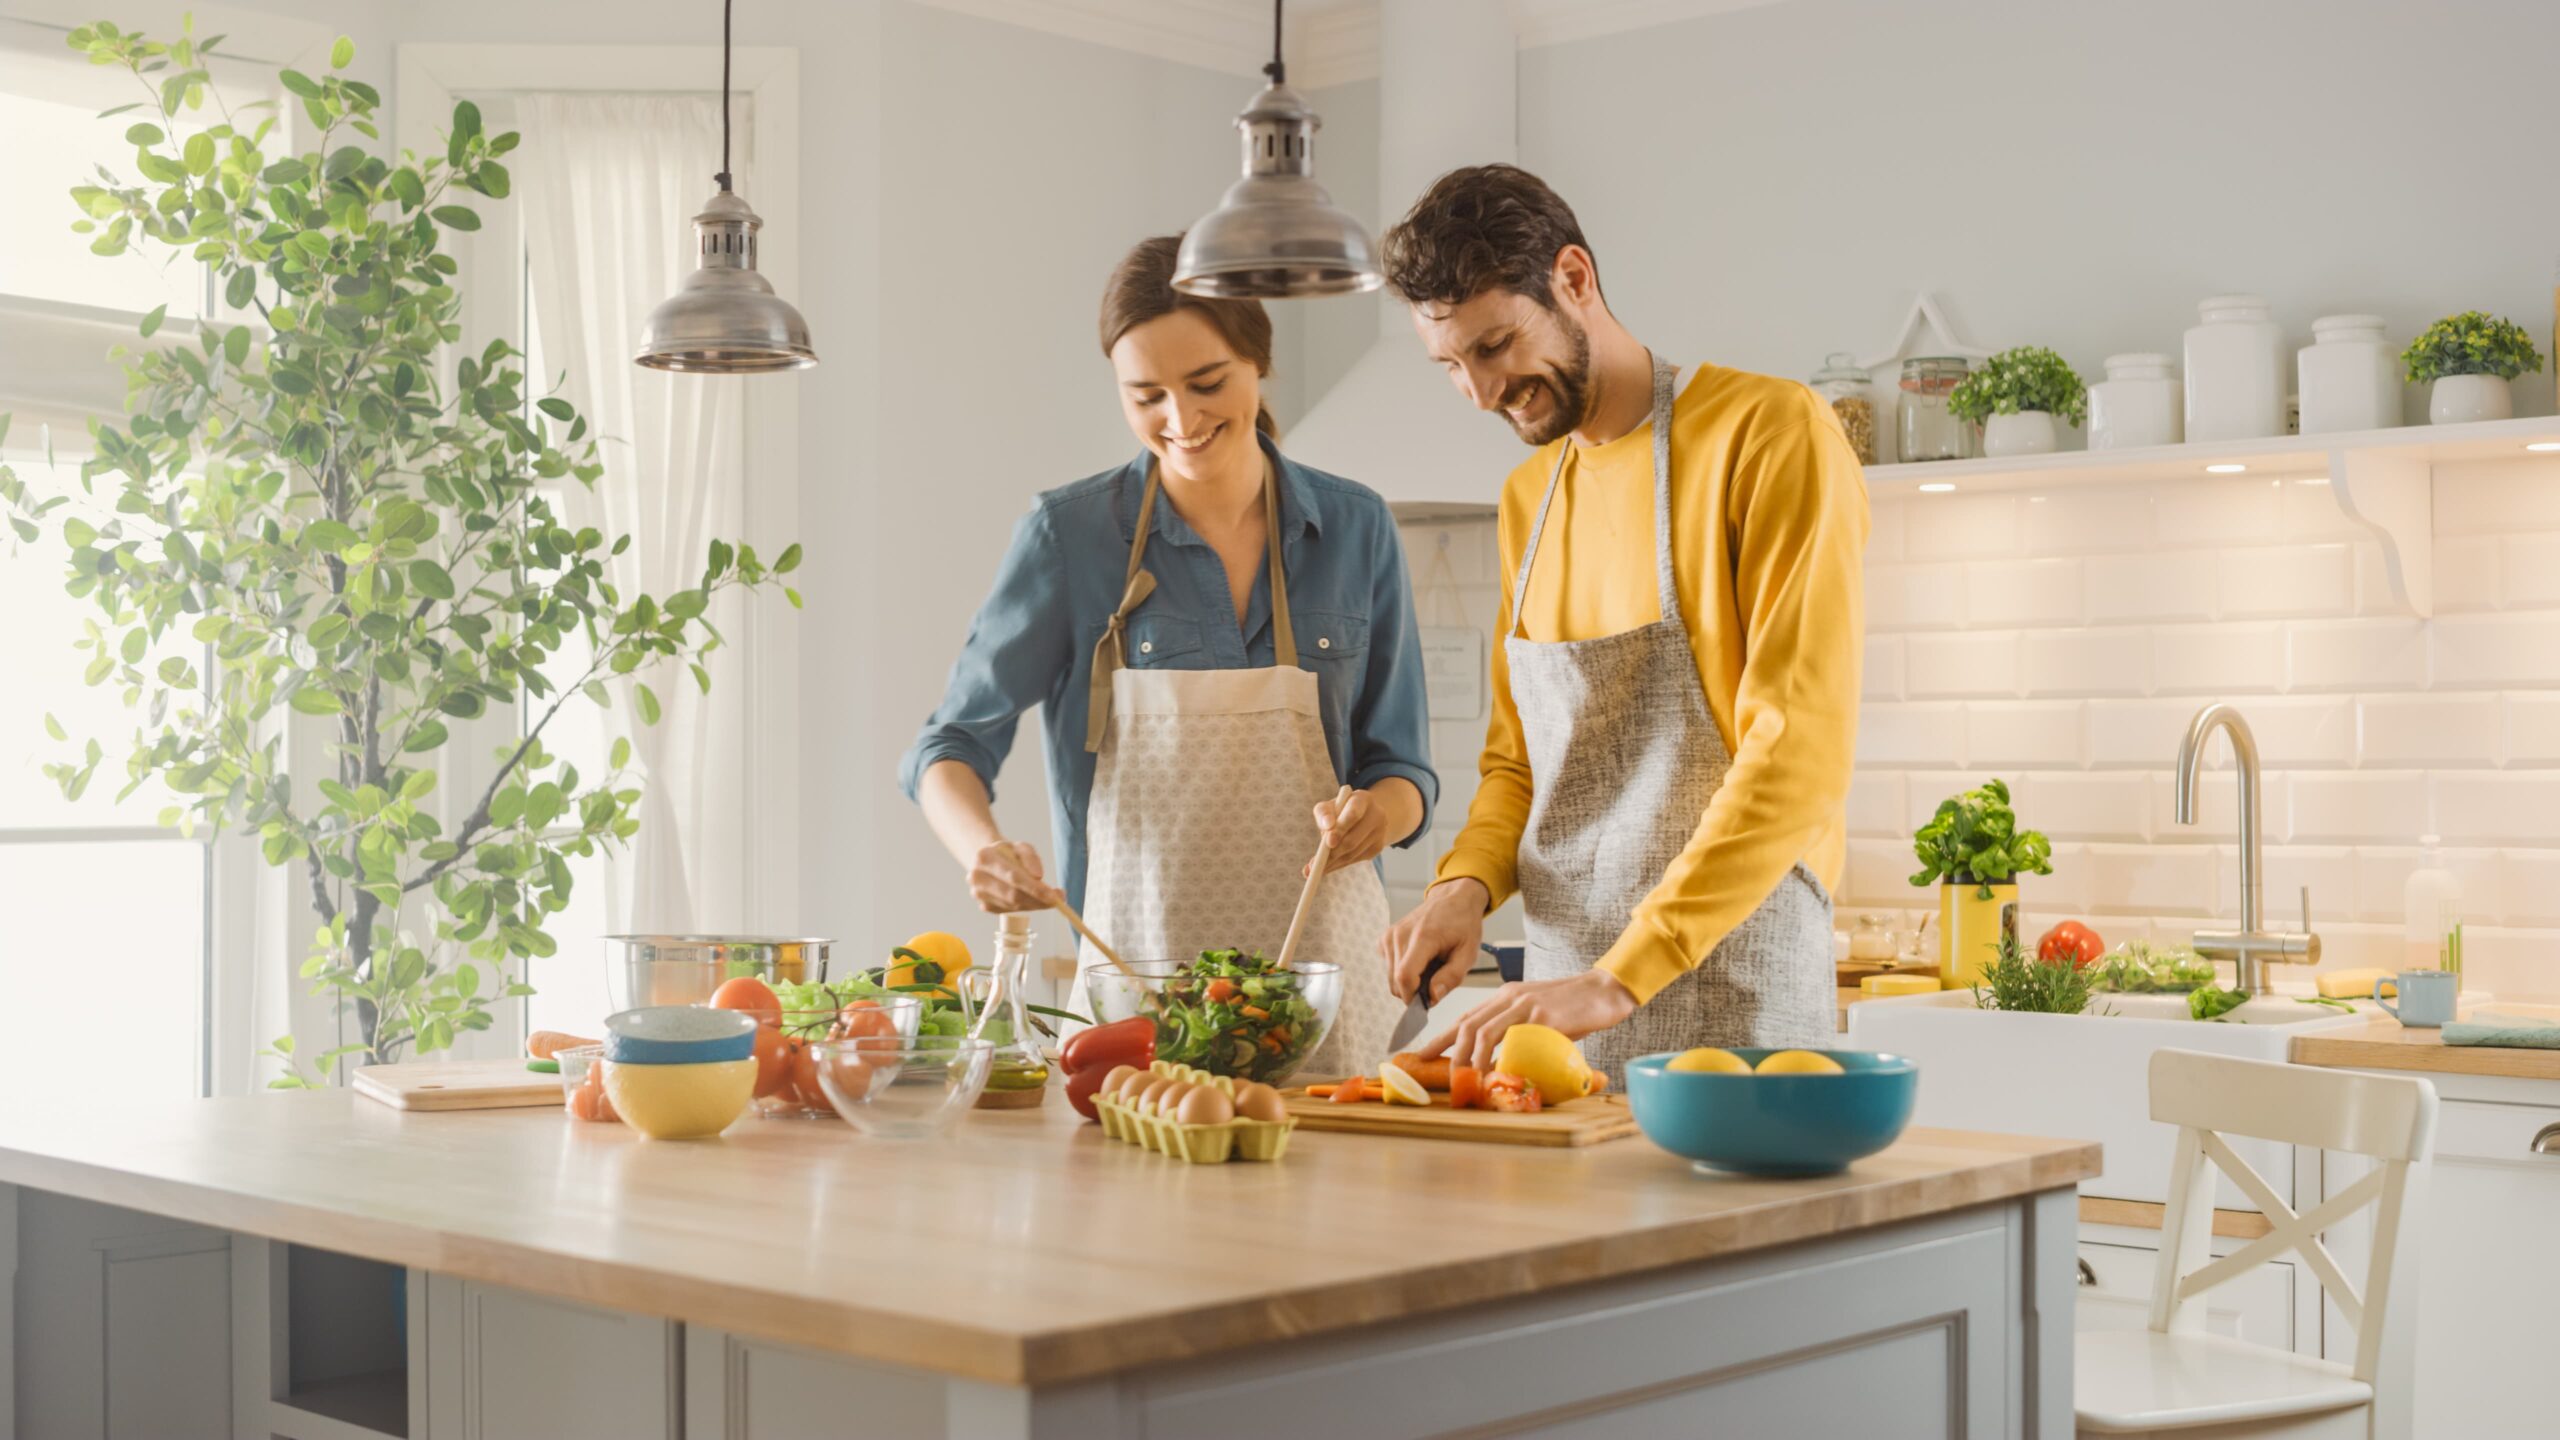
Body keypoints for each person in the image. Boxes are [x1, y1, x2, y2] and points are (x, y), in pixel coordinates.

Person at [1376, 165, 1868, 1083]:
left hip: (1737, 995)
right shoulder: (1531, 496)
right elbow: (1519, 762)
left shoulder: (1768, 434)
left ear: (1574, 278)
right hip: (1559, 1017)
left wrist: (1621, 977)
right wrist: (1464, 887)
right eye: (1451, 365)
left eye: (1495, 346)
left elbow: (1794, 754)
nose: (1481, 394)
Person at [900, 235, 1437, 1076]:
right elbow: (948, 746)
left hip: (1328, 995)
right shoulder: (1069, 538)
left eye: (1207, 383)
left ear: (1258, 363)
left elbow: (1401, 766)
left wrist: (1381, 814)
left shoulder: (1356, 528)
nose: (1180, 422)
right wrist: (984, 853)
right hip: (1133, 995)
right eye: (1146, 395)